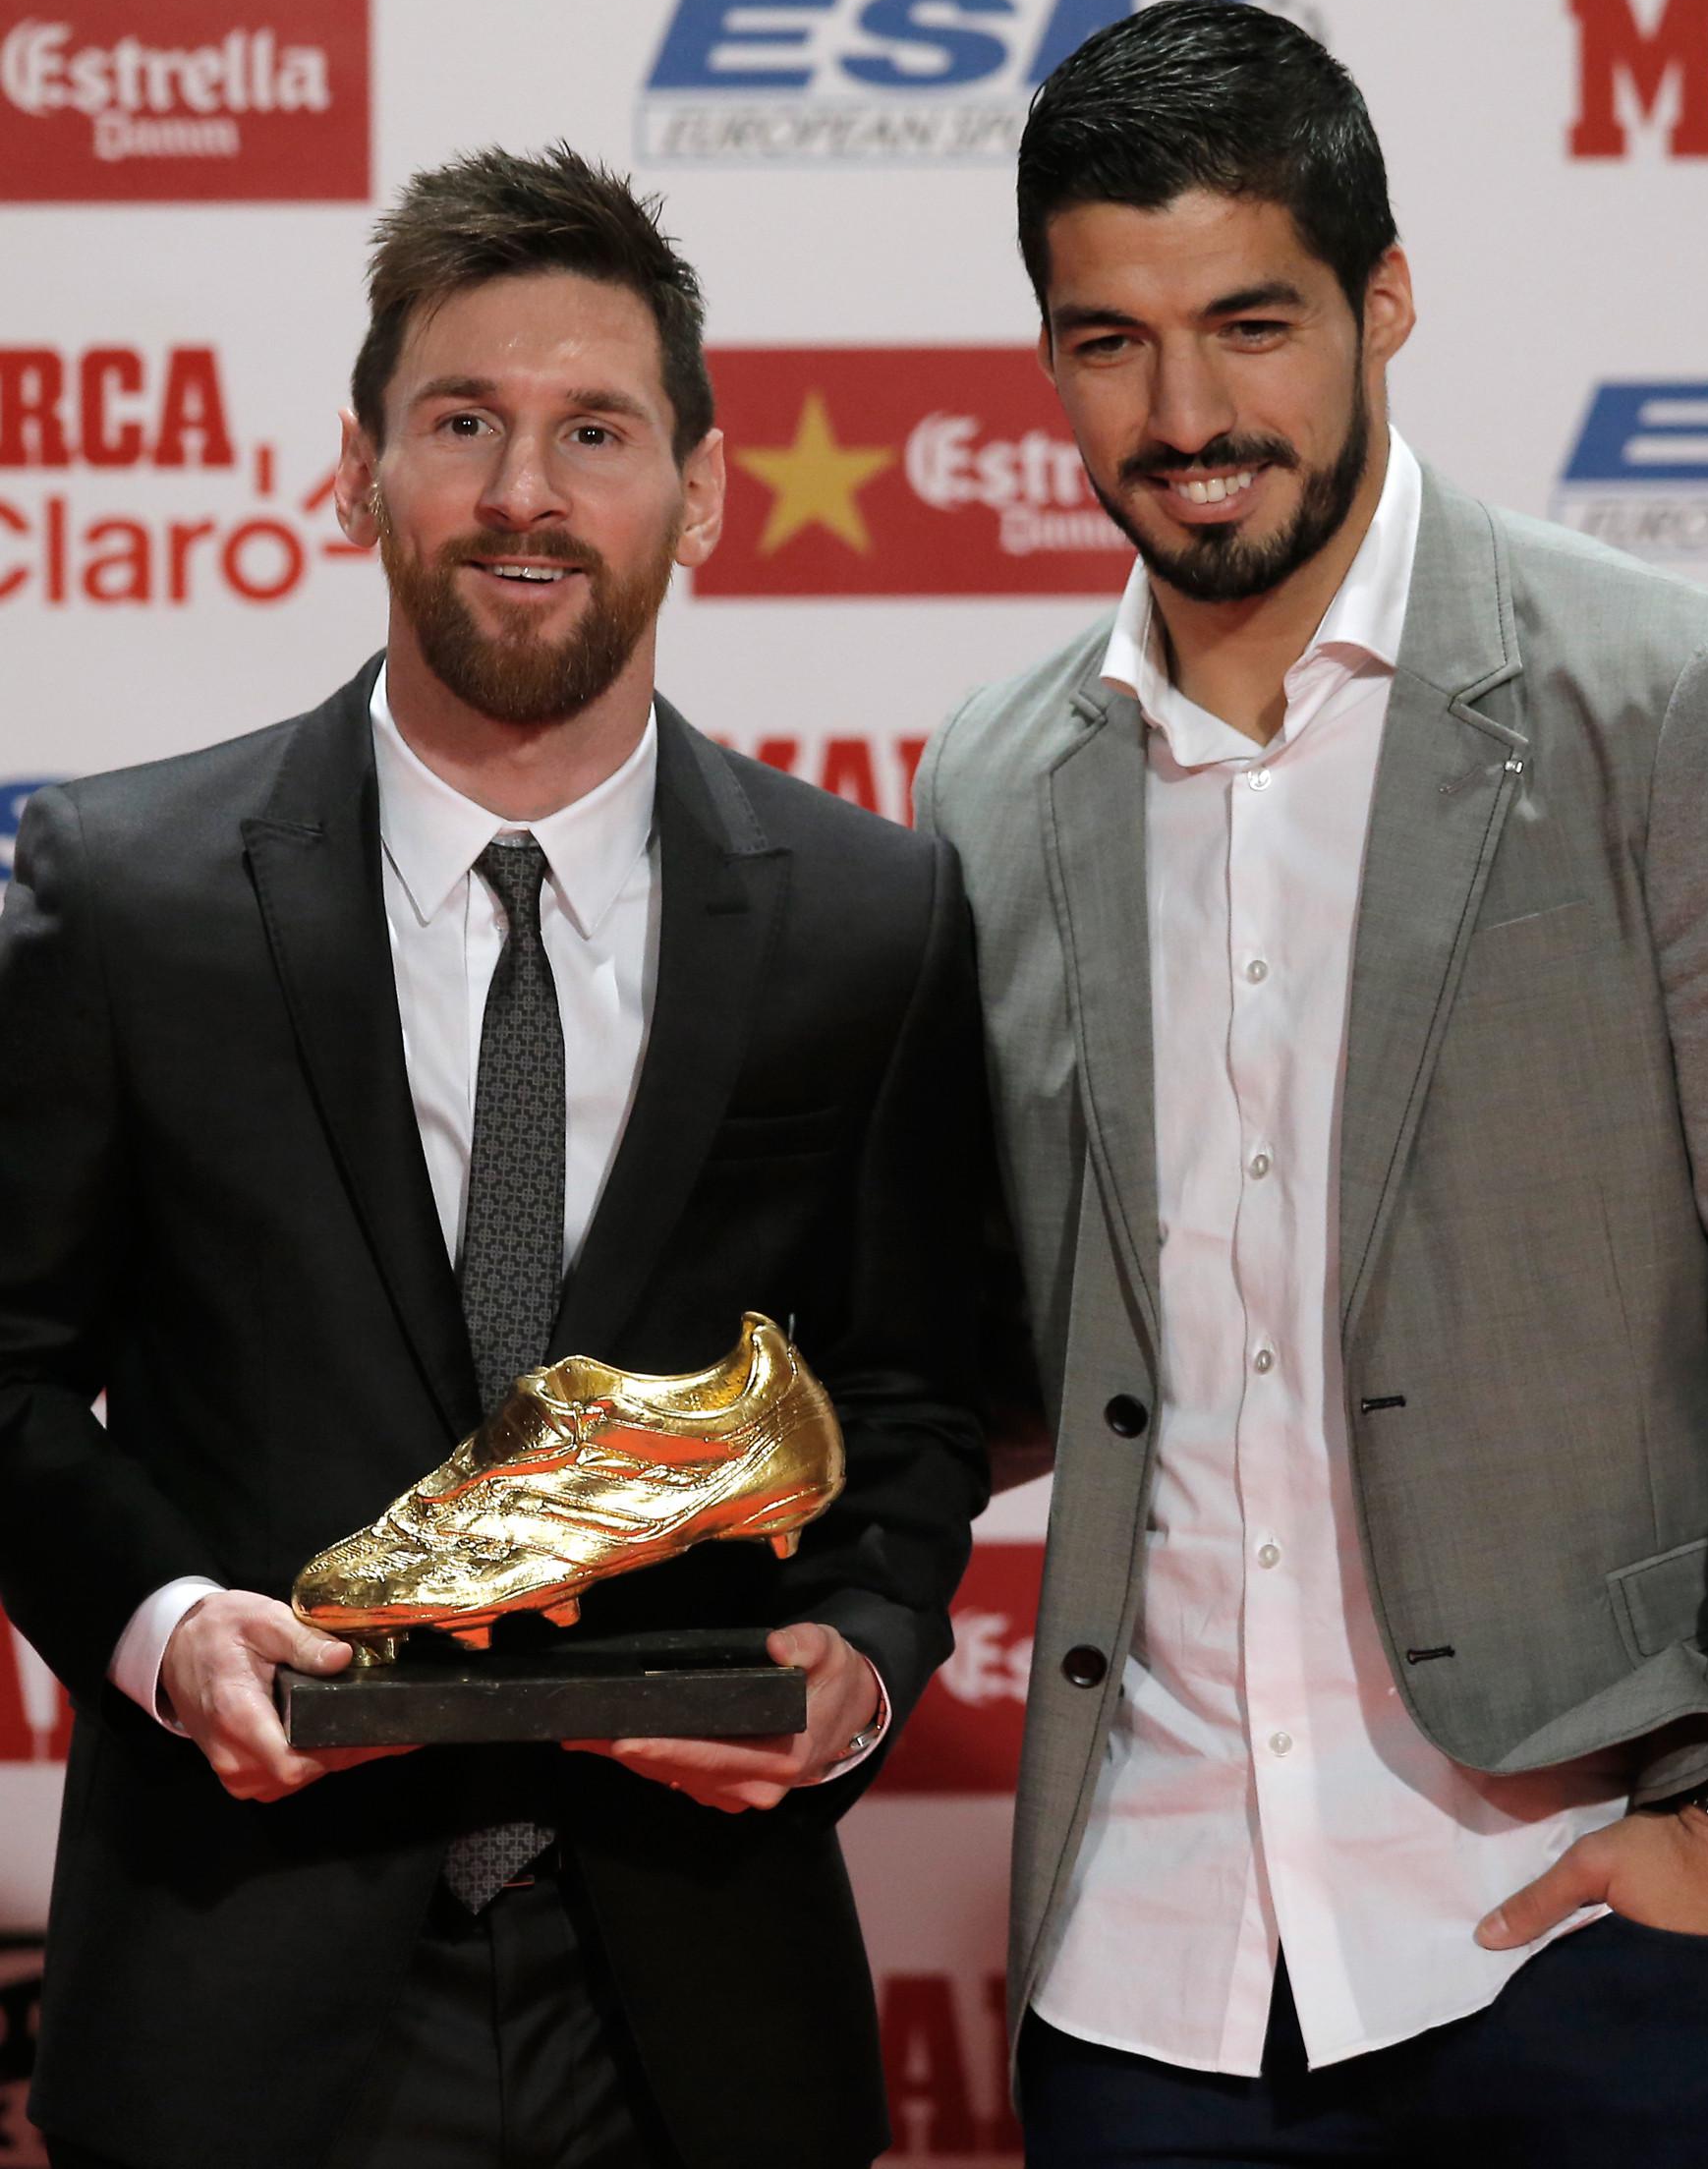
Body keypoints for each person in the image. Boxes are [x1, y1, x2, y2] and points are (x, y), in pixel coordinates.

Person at [0, 144, 987, 2169]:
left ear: (700, 490)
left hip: (700, 2015)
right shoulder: (123, 895)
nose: (525, 489)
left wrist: (865, 1661)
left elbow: (902, 1387)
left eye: (593, 430)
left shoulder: (865, 917)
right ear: (359, 466)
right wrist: (166, 1623)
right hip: (229, 1991)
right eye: (464, 422)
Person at [915, 0, 1708, 2164]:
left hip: (1583, 1939)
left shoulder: (1654, 701)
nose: (1186, 413)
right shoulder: (989, 786)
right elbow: (996, 1345)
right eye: (1107, 341)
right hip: (1147, 1964)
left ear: (1385, 298)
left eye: (1251, 323)